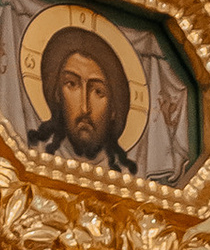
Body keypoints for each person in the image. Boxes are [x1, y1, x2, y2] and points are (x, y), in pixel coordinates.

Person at [26, 29, 137, 172]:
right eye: (71, 84)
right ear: (57, 94)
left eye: (98, 91)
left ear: (114, 109)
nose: (85, 108)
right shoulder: (32, 156)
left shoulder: (128, 179)